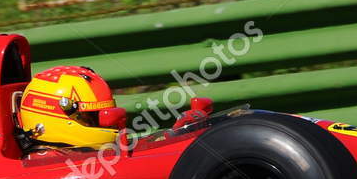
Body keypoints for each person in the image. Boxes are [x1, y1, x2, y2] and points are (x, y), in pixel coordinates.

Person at [16, 64, 211, 150]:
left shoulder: (84, 154)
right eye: (91, 117)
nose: (104, 121)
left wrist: (174, 135)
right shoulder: (51, 165)